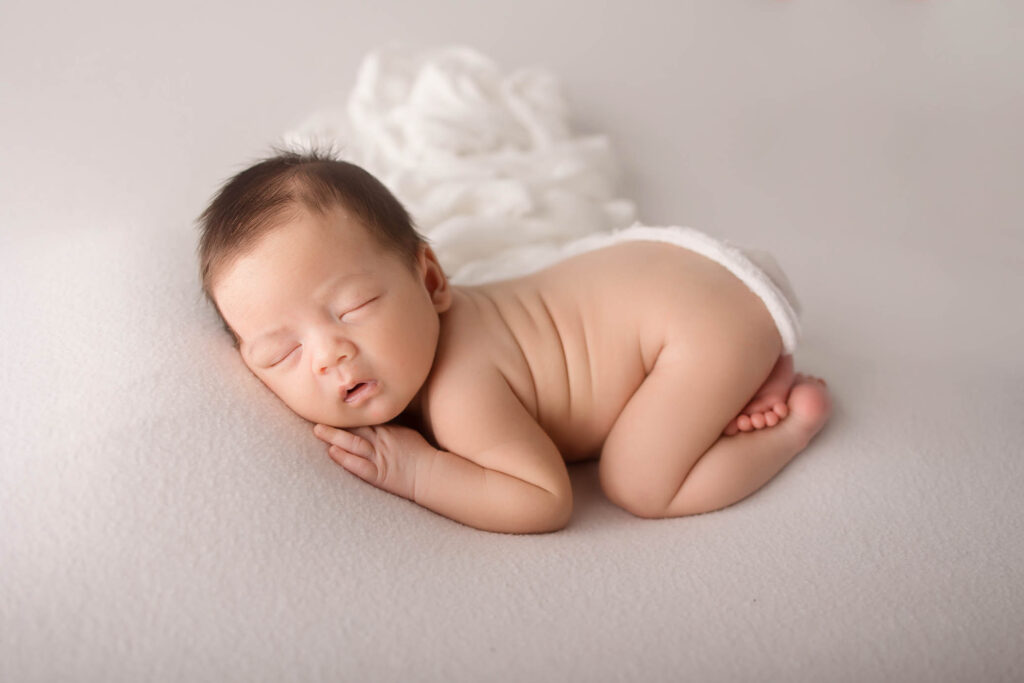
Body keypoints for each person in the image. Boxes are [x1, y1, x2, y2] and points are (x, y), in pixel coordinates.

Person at [198, 150, 832, 534]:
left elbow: (542, 500)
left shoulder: (459, 389)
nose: (328, 354)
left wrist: (416, 471)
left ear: (431, 280)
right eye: (281, 354)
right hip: (680, 272)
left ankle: (792, 422)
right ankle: (746, 376)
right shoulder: (434, 337)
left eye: (354, 307)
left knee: (639, 483)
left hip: (701, 322)